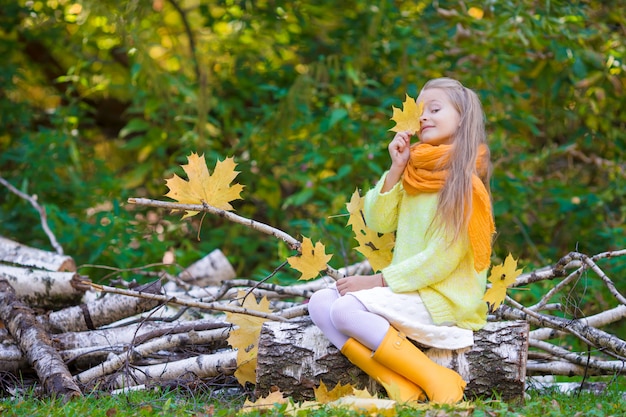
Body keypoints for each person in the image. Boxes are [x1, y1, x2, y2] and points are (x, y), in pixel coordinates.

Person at [308, 77, 495, 404]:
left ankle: (435, 377)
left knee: (346, 310)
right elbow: (378, 222)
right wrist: (396, 168)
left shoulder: (464, 184)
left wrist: (378, 281)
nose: (424, 116)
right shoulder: (415, 170)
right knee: (320, 303)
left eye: (435, 109)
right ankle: (398, 384)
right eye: (420, 110)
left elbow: (443, 258)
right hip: (410, 290)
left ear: (462, 118)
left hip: (442, 297)